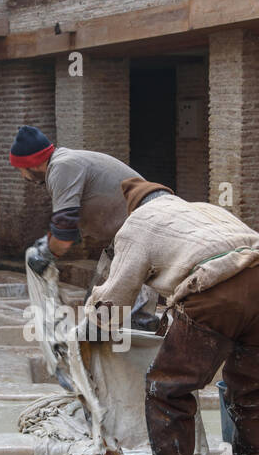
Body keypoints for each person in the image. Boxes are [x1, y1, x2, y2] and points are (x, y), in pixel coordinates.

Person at [87, 177, 259, 455]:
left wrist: (88, 326)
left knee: (167, 392)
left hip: (220, 287)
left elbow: (115, 301)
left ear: (134, 207)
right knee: (253, 396)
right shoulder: (204, 210)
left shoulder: (140, 222)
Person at [10, 125, 157, 325]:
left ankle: (142, 350)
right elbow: (73, 225)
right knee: (97, 305)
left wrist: (46, 254)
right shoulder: (63, 164)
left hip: (147, 224)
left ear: (32, 164)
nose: (22, 176)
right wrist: (48, 243)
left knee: (128, 312)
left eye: (20, 169)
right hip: (131, 228)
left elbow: (64, 232)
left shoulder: (62, 167)